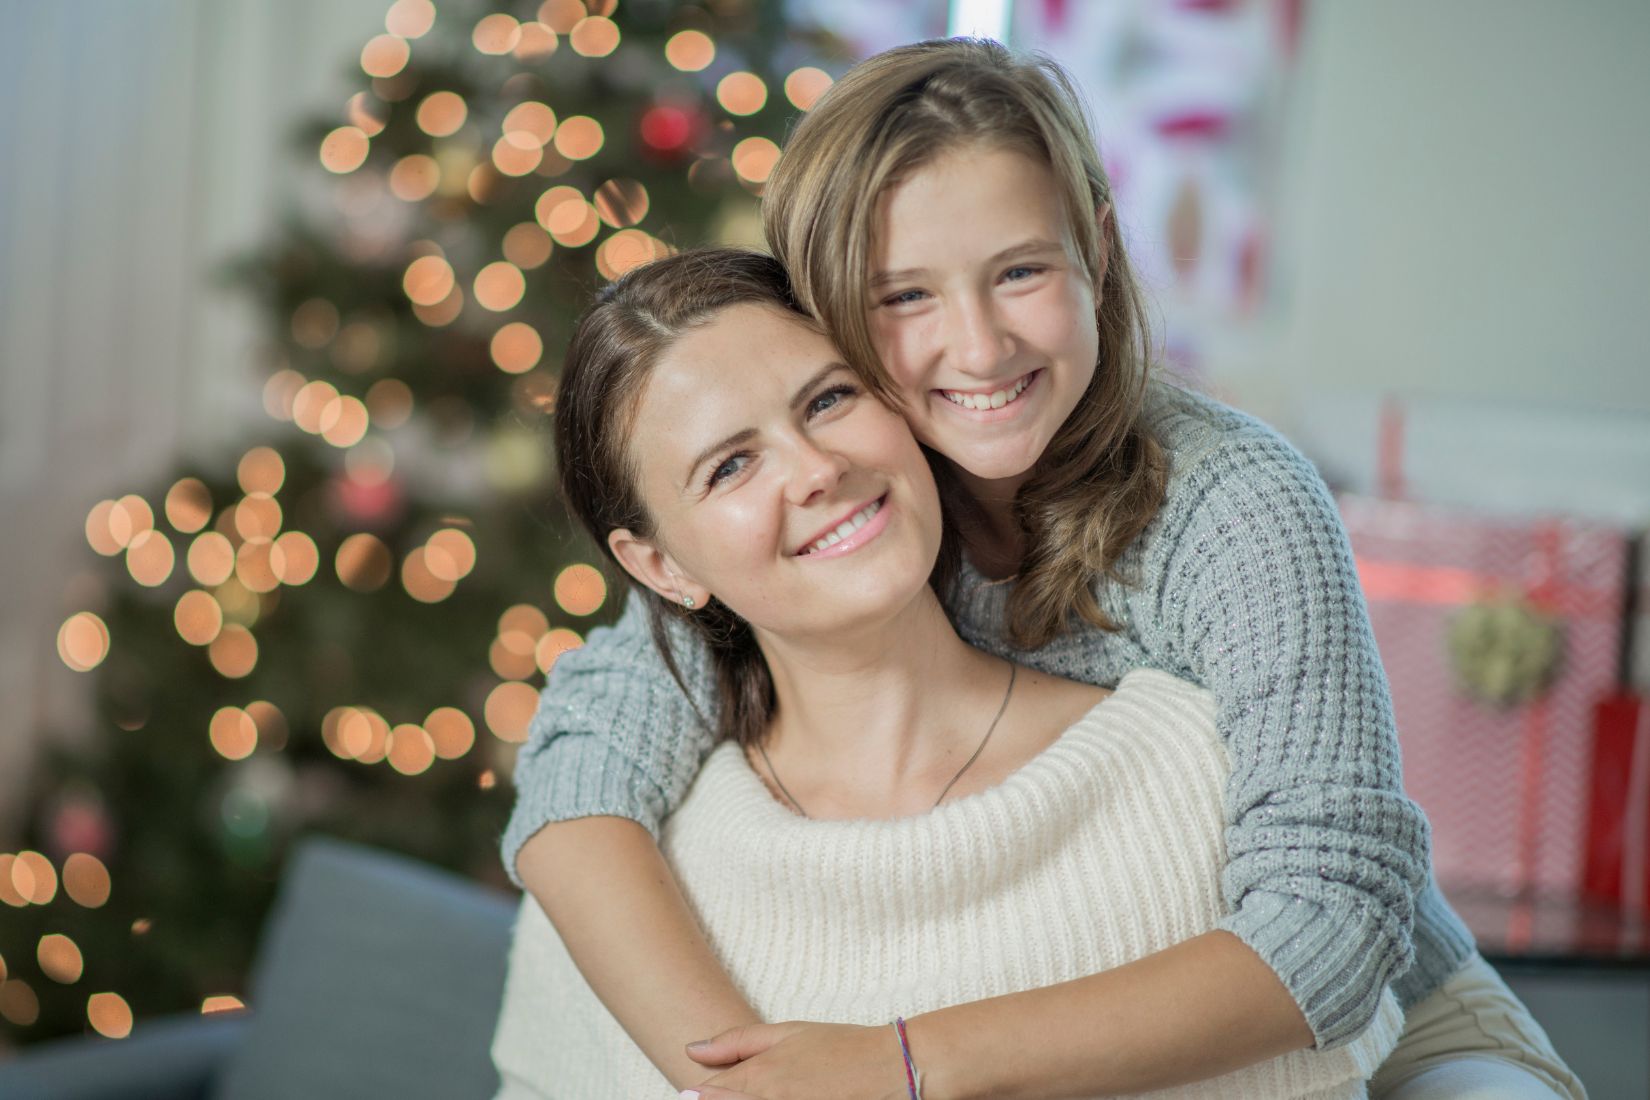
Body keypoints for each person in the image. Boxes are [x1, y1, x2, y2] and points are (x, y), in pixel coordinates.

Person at [501, 39, 1582, 1100]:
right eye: (904, 297)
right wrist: (745, 1070)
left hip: (1406, 1014)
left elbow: (1336, 920)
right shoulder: (859, 464)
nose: (978, 349)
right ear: (830, 310)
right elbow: (578, 778)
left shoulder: (1231, 499)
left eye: (1019, 272)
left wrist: (904, 1062)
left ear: (1097, 250)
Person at [491, 247, 1407, 1099]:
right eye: (731, 465)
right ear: (661, 569)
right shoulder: (623, 861)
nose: (816, 469)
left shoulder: (1181, 779)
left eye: (828, 401)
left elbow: (1336, 936)